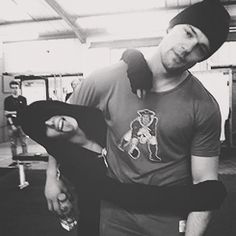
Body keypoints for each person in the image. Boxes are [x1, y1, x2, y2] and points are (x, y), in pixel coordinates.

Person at [46, 0, 230, 235]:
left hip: (168, 217)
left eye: (200, 48)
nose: (186, 48)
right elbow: (56, 122)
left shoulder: (204, 106)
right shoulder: (107, 79)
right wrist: (52, 177)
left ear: (202, 58)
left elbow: (204, 184)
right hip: (113, 211)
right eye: (188, 33)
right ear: (170, 28)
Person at [19, 100, 226, 235]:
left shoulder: (99, 117)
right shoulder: (76, 166)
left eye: (48, 115)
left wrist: (133, 60)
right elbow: (125, 194)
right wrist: (194, 196)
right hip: (99, 223)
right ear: (50, 141)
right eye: (44, 128)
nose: (52, 122)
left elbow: (120, 74)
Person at [4, 80, 28, 159]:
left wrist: (11, 112)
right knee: (13, 144)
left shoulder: (23, 99)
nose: (15, 89)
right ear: (11, 89)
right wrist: (12, 125)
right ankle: (14, 160)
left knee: (24, 143)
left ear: (19, 88)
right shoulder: (7, 100)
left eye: (16, 88)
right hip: (11, 124)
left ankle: (25, 159)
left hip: (22, 124)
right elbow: (6, 113)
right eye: (13, 88)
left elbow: (24, 112)